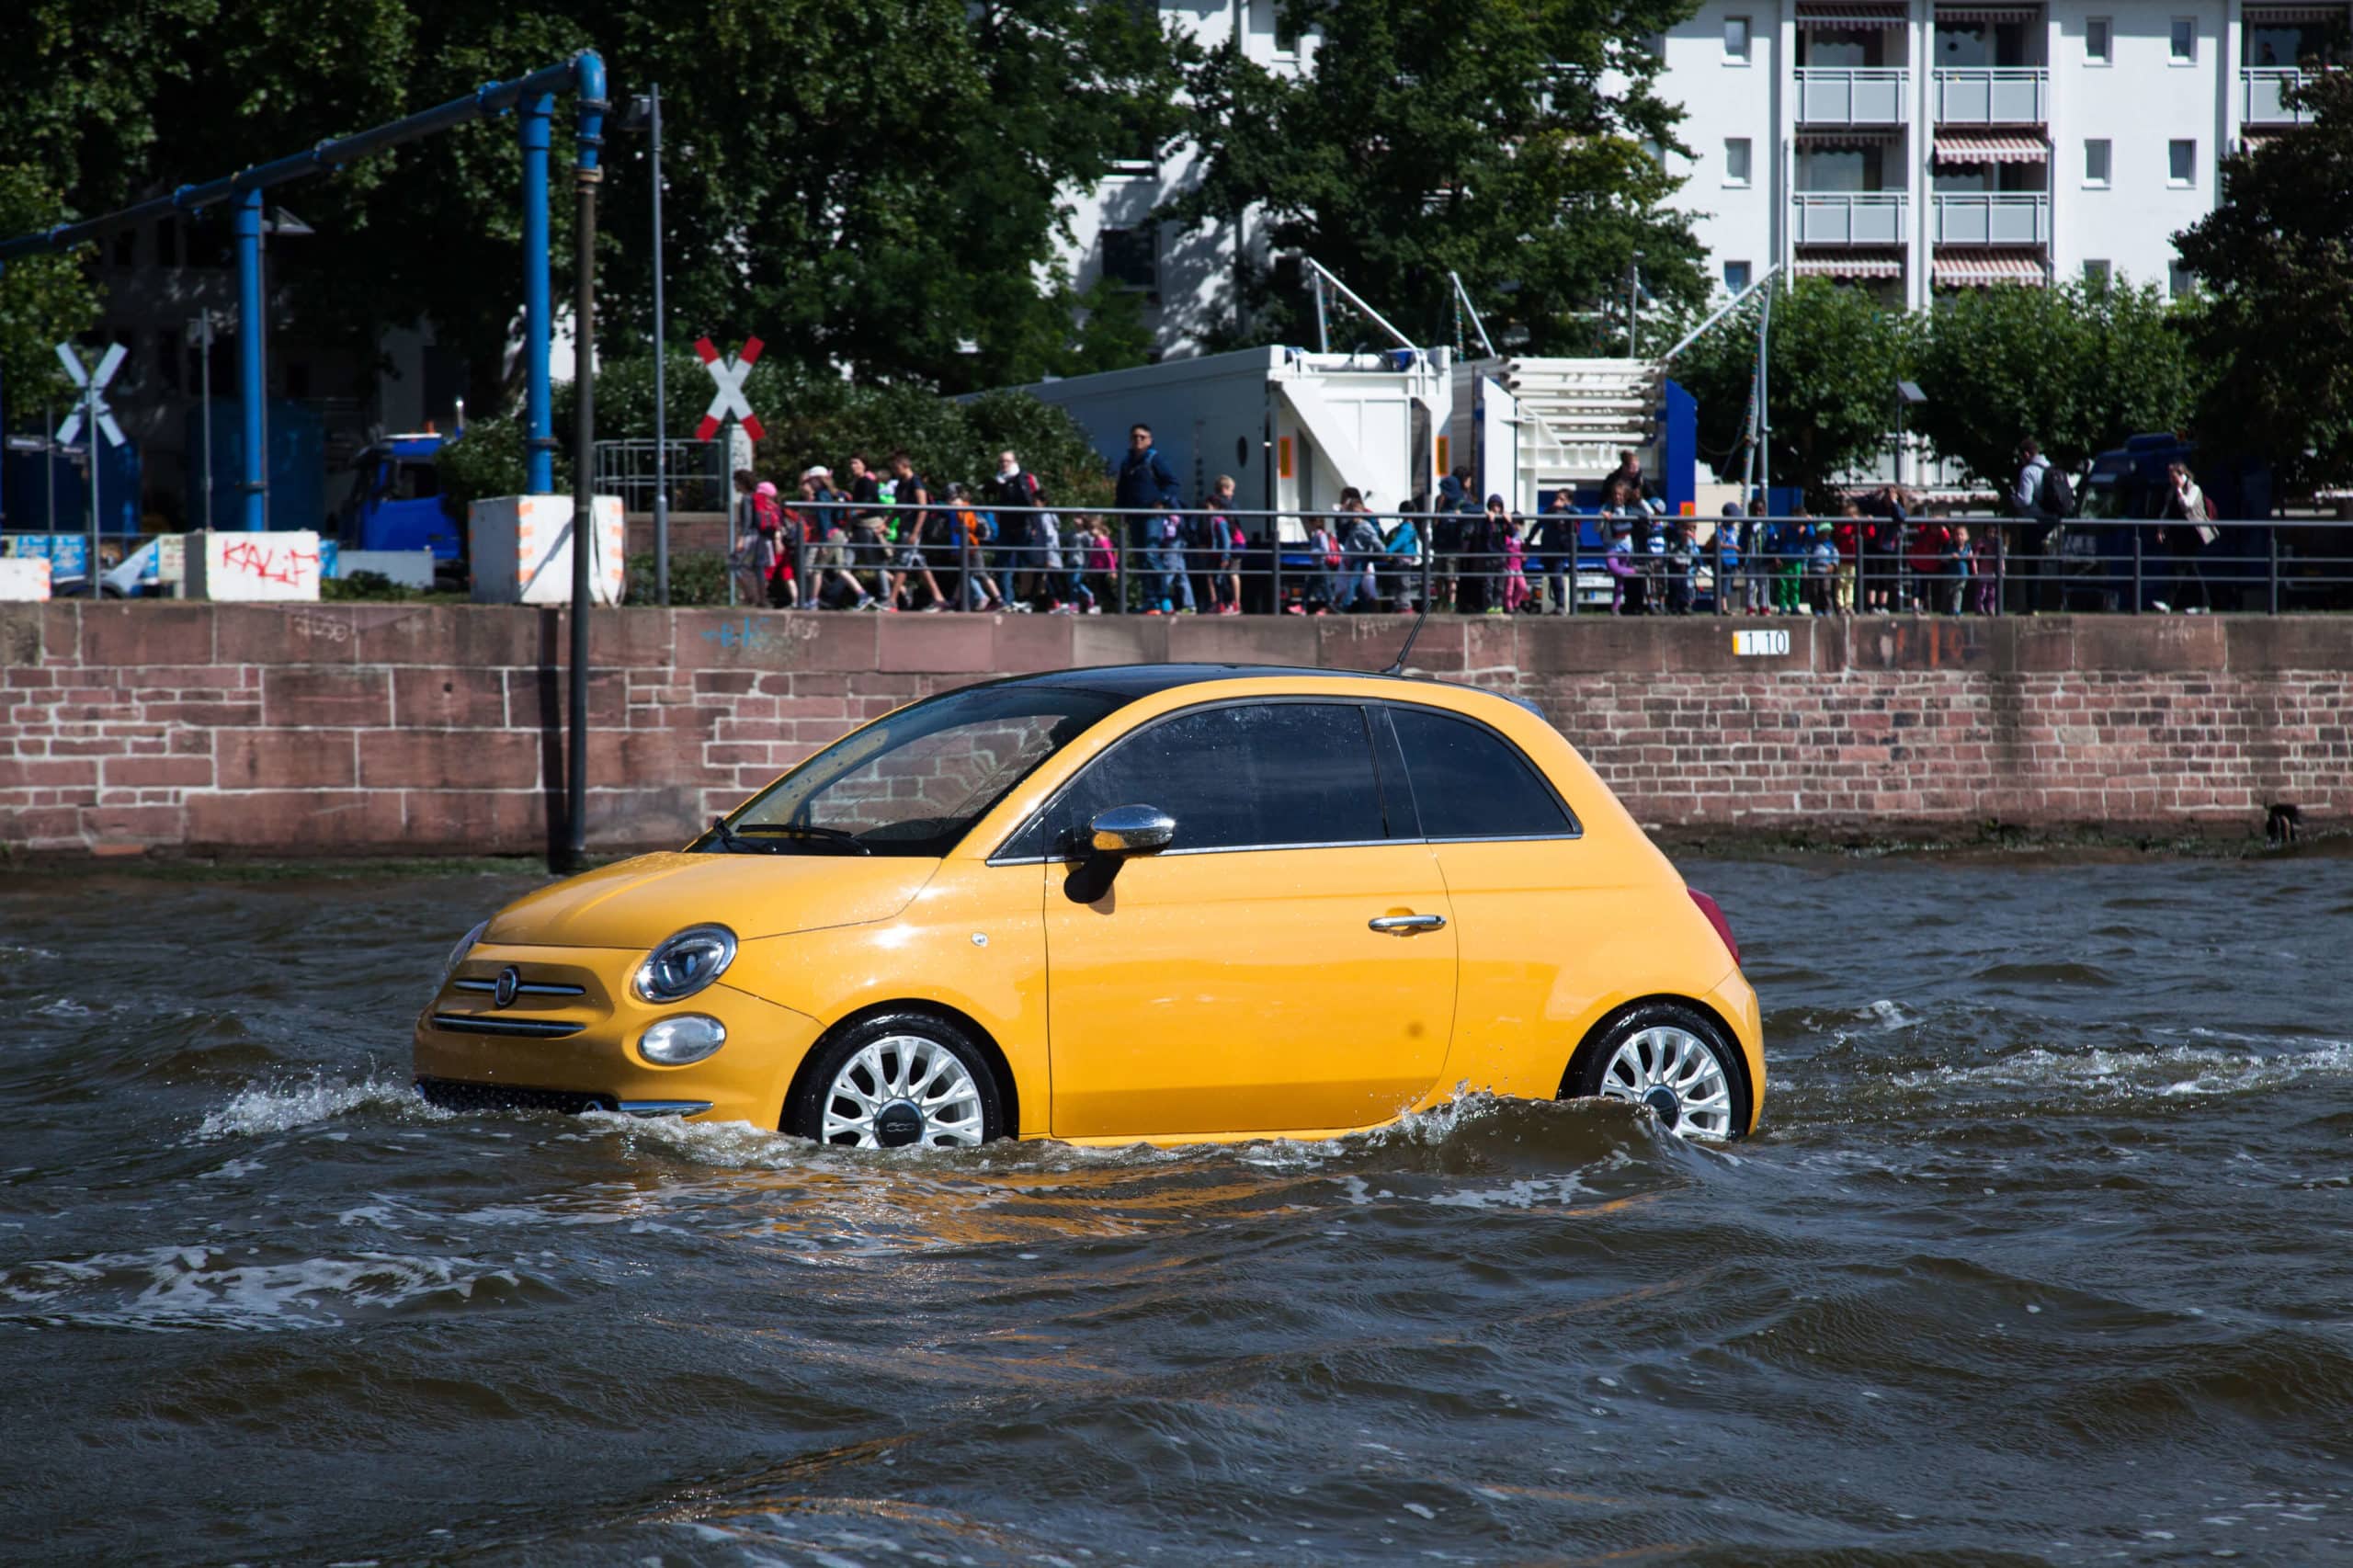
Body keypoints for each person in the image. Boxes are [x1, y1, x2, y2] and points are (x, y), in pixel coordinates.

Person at [1116, 422, 1181, 570]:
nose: (1138, 440)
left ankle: (1161, 592)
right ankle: (1149, 593)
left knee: (1151, 555)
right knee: (1140, 559)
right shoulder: (1127, 463)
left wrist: (1161, 501)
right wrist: (1120, 510)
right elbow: (1121, 489)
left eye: (1142, 437)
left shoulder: (1154, 459)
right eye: (1135, 437)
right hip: (1134, 516)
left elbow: (1173, 483)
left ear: (1149, 440)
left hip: (1152, 516)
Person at [2156, 460, 2214, 612]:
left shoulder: (2194, 489)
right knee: (2191, 569)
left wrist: (2180, 490)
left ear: (2182, 475)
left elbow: (2187, 505)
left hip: (2192, 535)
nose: (2171, 480)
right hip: (2178, 535)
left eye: (2174, 477)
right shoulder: (2171, 491)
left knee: (2180, 568)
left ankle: (2168, 603)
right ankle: (2204, 605)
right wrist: (2161, 529)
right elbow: (2166, 511)